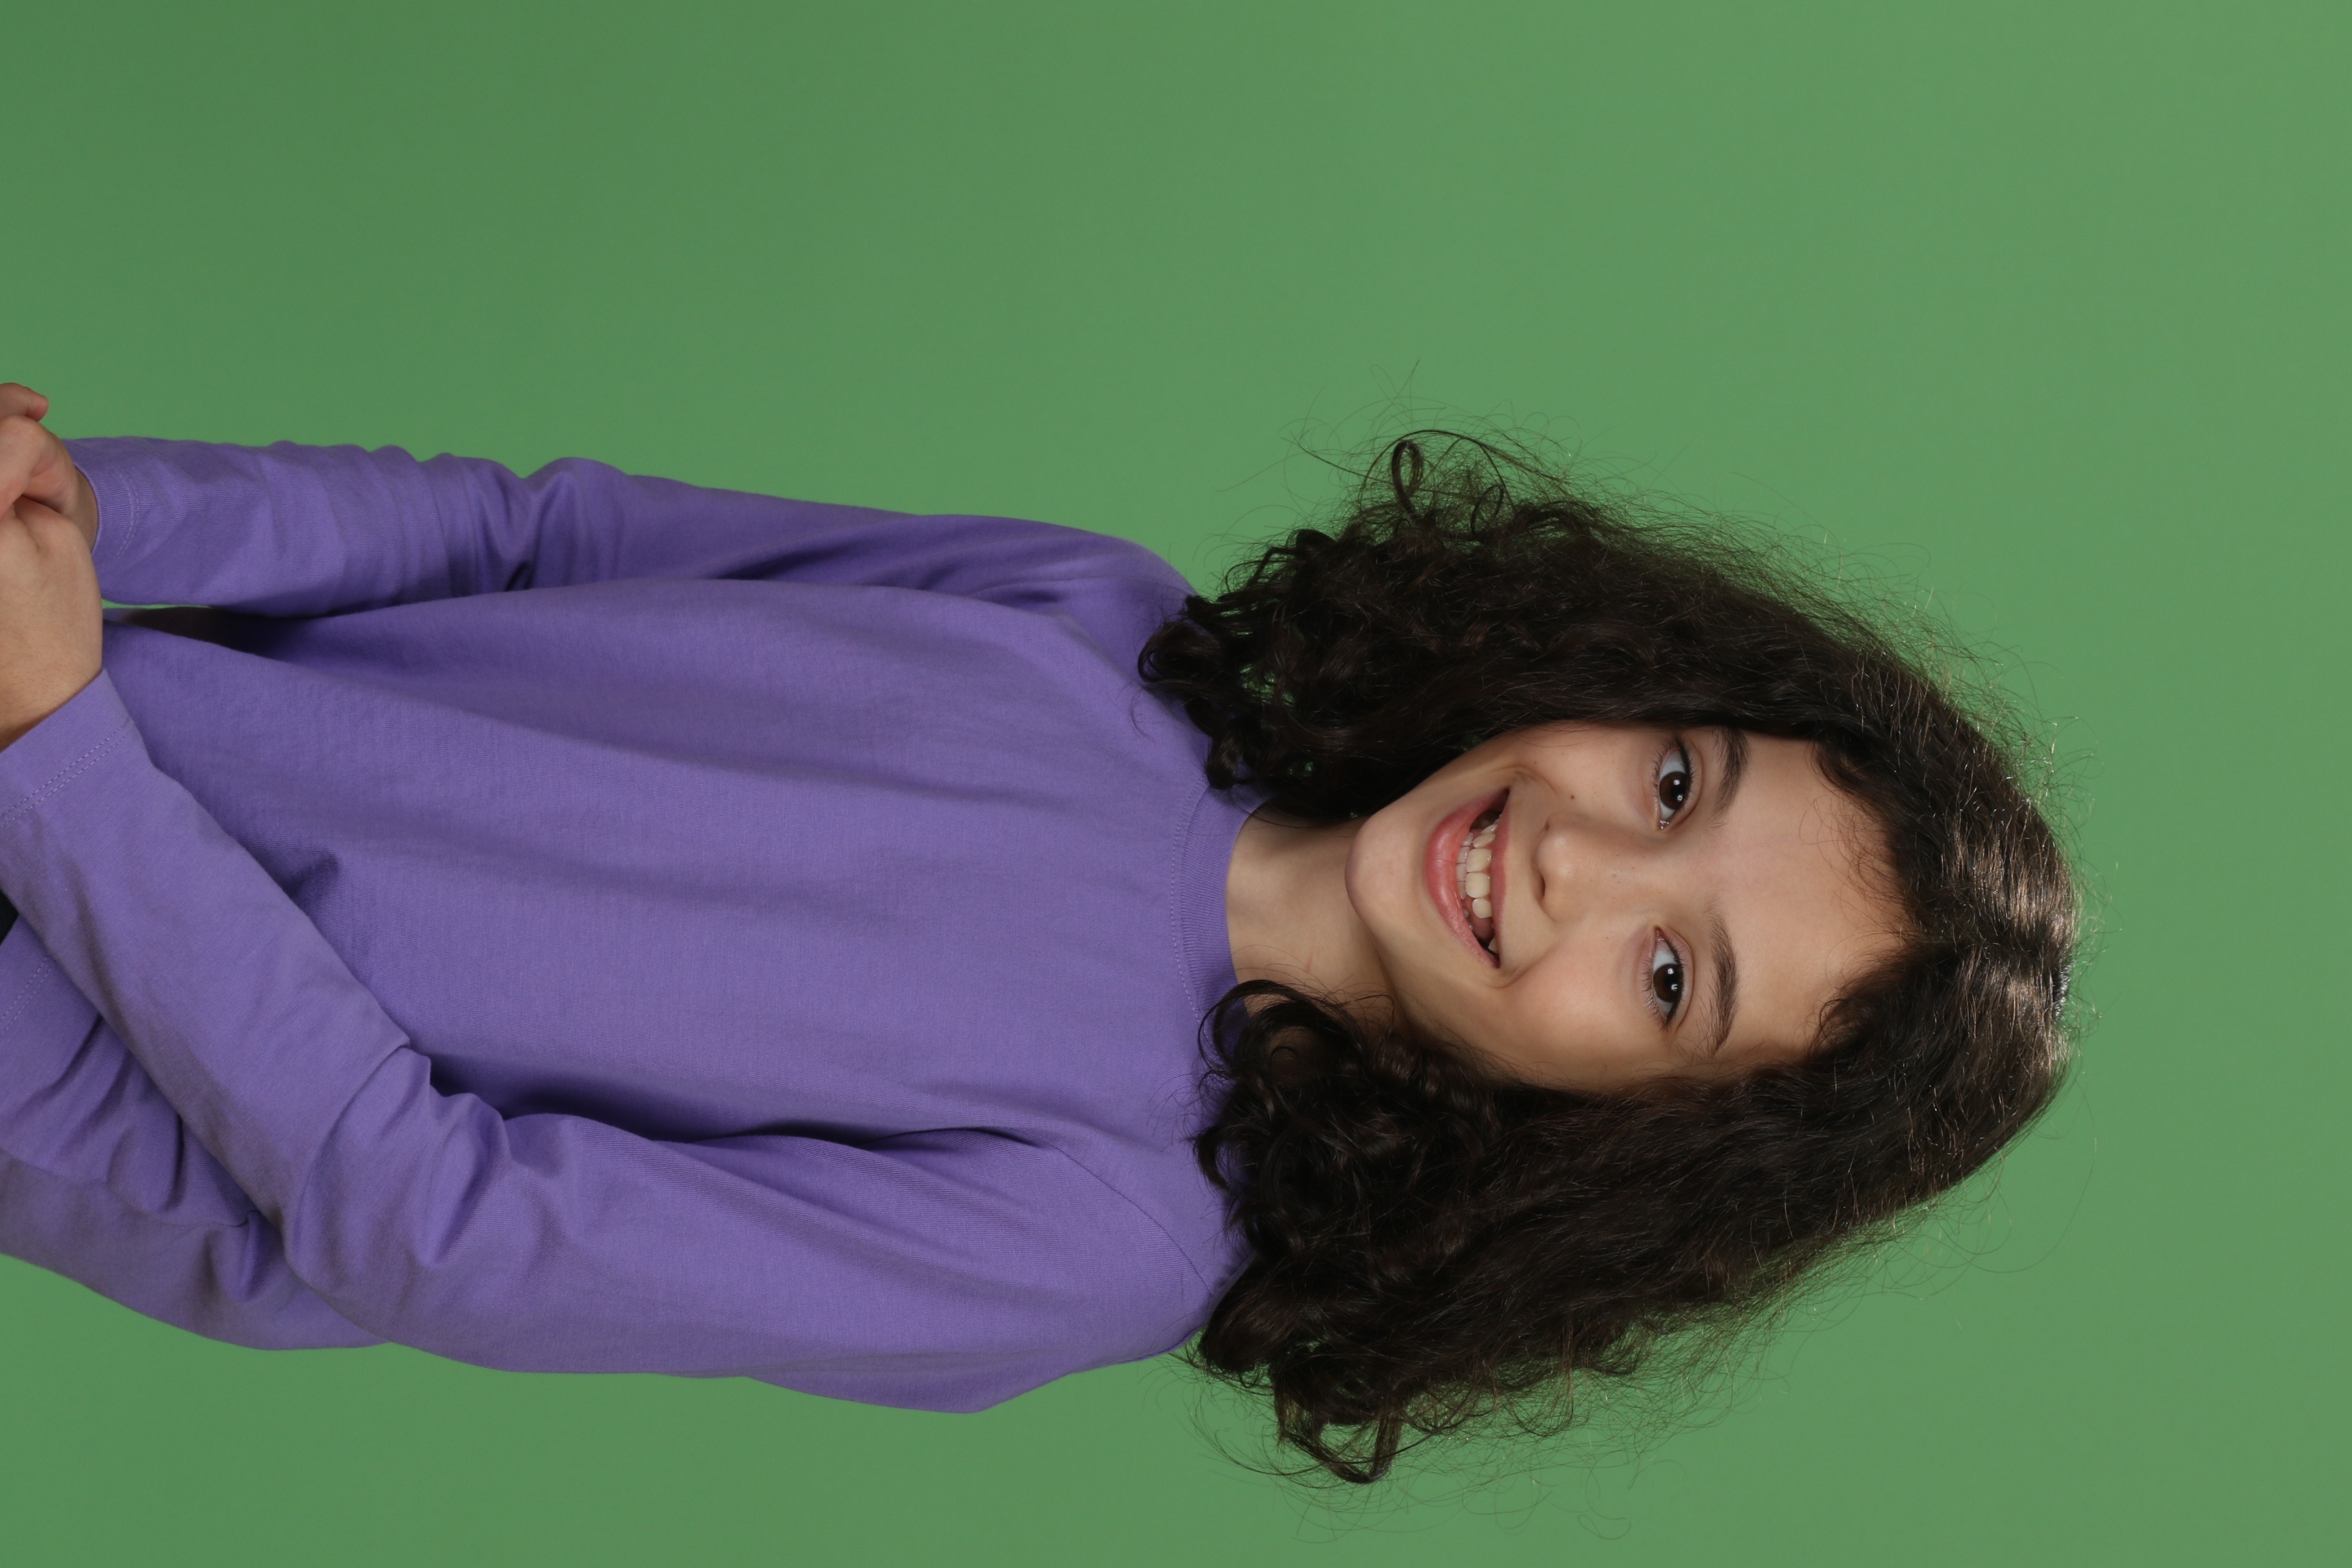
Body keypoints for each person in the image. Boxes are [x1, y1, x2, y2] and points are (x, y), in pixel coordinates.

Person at [0, 385, 2075, 1483]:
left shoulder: (1111, 1228)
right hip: (76, 688)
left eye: (1670, 977)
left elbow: (436, 1225)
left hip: (80, 1034)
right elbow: (535, 534)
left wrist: (58, 742)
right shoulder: (1103, 621)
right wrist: (80, 516)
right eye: (1680, 782)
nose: (1578, 864)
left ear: (1633, 1141)